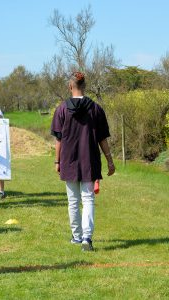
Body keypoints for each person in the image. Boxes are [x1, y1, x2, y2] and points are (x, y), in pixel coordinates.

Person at [51, 72, 115, 251]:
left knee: (73, 200)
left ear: (70, 86)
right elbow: (103, 139)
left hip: (68, 160)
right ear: (84, 86)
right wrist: (110, 161)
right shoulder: (95, 109)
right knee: (88, 199)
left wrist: (57, 162)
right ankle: (87, 238)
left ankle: (77, 237)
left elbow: (58, 139)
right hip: (90, 160)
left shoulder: (62, 109)